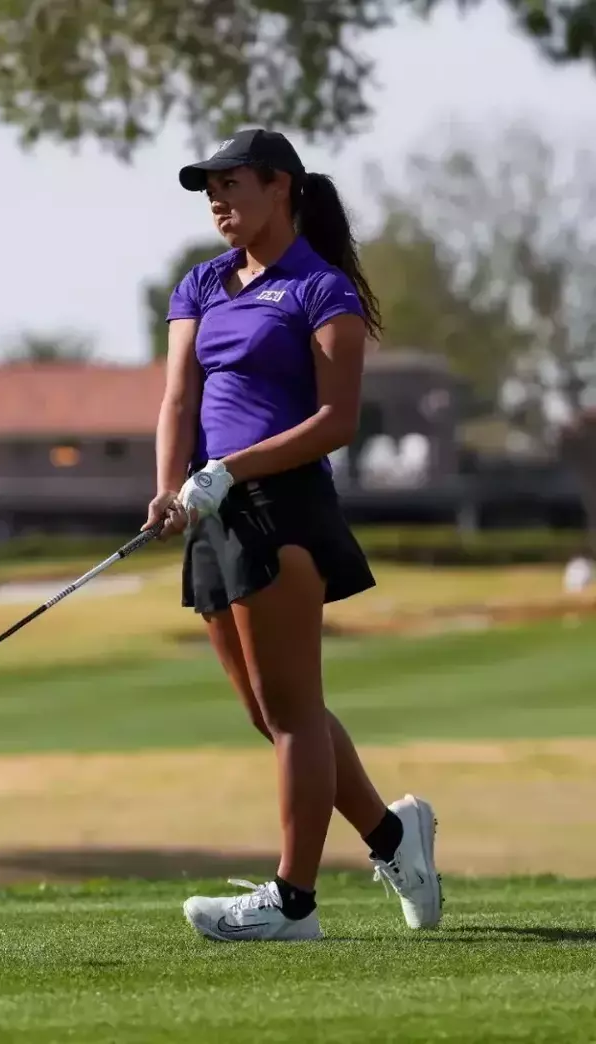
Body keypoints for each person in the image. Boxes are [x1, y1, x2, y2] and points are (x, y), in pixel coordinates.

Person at [143, 128, 441, 942]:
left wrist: (232, 467)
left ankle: (294, 901)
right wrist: (169, 486)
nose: (217, 201)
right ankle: (392, 836)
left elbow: (336, 420)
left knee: (292, 711)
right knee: (268, 711)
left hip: (282, 507)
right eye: (210, 190)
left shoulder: (320, 288)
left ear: (281, 187)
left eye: (231, 184)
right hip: (212, 510)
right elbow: (178, 398)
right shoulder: (202, 284)